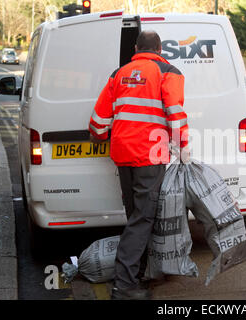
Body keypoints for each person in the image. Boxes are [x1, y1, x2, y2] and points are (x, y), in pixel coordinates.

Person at [88, 30, 189, 300]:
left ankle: (139, 273)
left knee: (136, 216)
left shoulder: (118, 74)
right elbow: (176, 113)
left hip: (122, 152)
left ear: (136, 48)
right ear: (159, 48)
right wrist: (183, 145)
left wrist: (98, 136)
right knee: (142, 218)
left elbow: (98, 121)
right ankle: (124, 285)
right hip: (149, 153)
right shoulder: (168, 72)